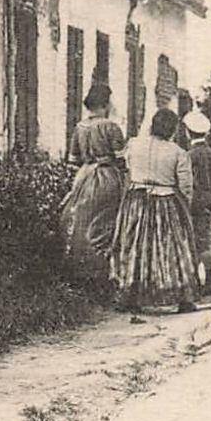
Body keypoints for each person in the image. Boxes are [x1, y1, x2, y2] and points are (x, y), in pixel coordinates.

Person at [111, 108, 199, 313]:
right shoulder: (178, 152)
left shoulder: (133, 144)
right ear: (173, 130)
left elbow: (122, 163)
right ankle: (181, 297)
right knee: (170, 248)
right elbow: (186, 186)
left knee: (134, 245)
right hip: (166, 202)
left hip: (136, 200)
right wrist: (185, 207)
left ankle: (130, 295)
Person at [59, 85, 127, 287]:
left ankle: (81, 273)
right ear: (105, 103)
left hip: (83, 177)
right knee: (106, 226)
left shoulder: (79, 127)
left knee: (82, 223)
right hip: (106, 177)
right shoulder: (111, 127)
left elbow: (72, 160)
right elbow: (121, 160)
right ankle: (103, 276)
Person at [184, 109, 211, 293]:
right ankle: (210, 277)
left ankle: (195, 279)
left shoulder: (189, 155)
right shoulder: (210, 153)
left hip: (193, 202)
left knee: (192, 241)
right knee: (204, 240)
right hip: (207, 201)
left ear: (187, 132)